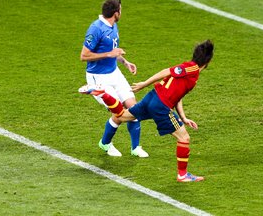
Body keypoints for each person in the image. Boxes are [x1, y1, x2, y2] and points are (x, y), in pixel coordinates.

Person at [80, 40, 214, 183]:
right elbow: (166, 71)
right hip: (160, 105)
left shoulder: (191, 71)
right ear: (207, 61)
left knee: (123, 115)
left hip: (153, 97)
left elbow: (178, 95)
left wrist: (184, 117)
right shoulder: (192, 68)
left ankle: (103, 94)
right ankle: (182, 175)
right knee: (184, 138)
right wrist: (144, 84)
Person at [79, 0, 148, 158]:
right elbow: (84, 56)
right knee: (120, 113)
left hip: (114, 73)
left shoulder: (113, 25)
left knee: (134, 108)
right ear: (116, 13)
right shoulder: (95, 29)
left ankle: (135, 147)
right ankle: (105, 143)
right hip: (98, 78)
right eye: (121, 10)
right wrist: (109, 54)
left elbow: (113, 49)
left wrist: (125, 62)